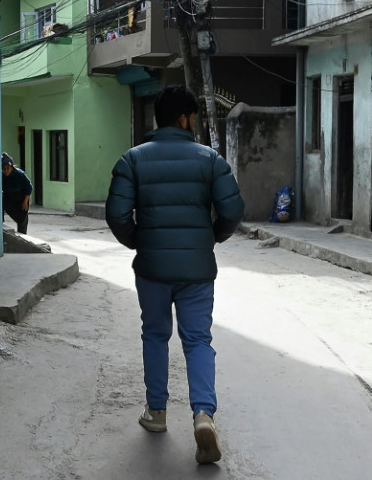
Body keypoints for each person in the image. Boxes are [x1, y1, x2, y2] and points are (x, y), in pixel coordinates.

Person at [105, 85, 244, 464]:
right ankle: (203, 415)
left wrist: (141, 241)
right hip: (197, 271)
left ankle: (157, 413)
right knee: (198, 339)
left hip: (151, 268)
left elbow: (117, 215)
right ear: (184, 119)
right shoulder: (210, 159)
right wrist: (211, 237)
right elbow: (232, 210)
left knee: (154, 334)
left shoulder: (132, 160)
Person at [1, 152, 33, 234]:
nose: (6, 171)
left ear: (12, 167)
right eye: (4, 169)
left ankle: (23, 238)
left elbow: (29, 188)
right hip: (8, 197)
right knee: (0, 202)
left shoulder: (20, 174)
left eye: (8, 168)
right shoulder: (1, 176)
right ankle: (0, 222)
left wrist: (25, 202)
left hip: (21, 199)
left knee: (22, 220)